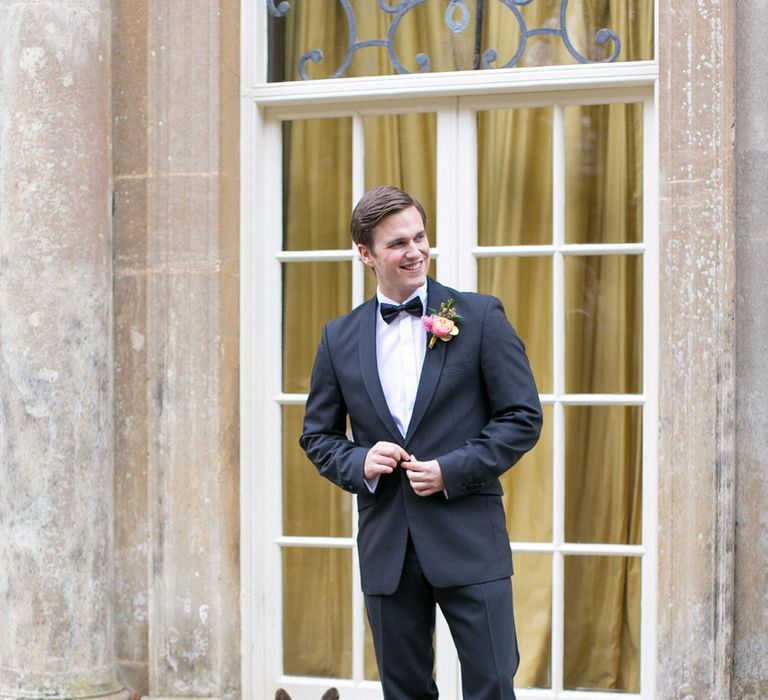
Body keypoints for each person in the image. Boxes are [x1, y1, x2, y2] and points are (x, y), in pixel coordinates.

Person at [300, 186, 542, 700]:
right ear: (365, 254)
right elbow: (317, 436)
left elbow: (522, 417)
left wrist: (451, 470)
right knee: (403, 691)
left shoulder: (478, 317)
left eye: (420, 236)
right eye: (397, 243)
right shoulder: (337, 338)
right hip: (388, 546)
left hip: (470, 539)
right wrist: (360, 460)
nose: (414, 251)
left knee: (493, 686)